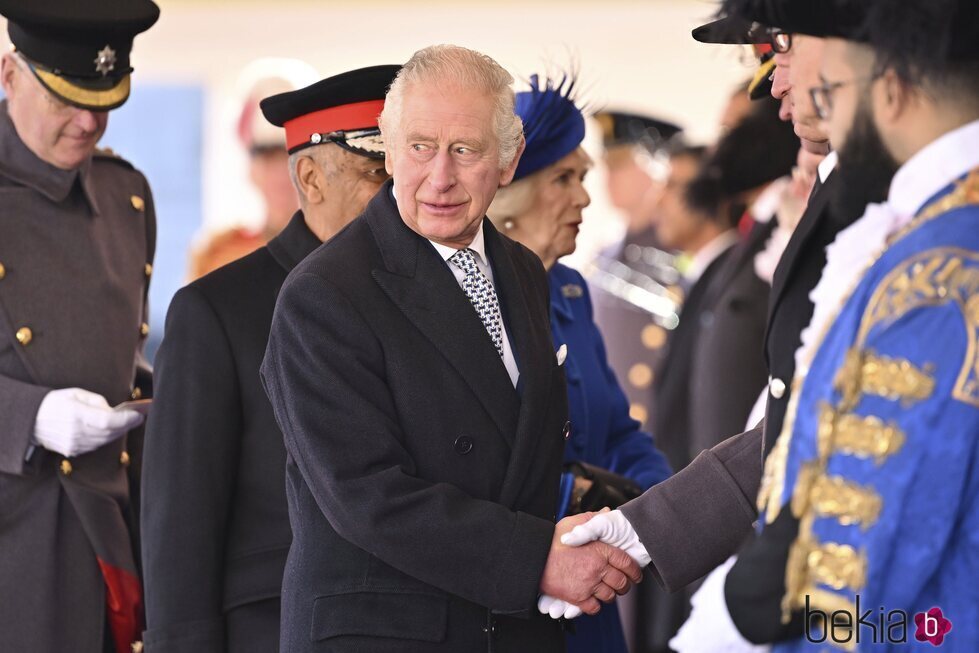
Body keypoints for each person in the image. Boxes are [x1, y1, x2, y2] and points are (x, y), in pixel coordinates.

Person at [259, 45, 642, 653]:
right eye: (419, 147)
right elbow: (365, 494)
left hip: (511, 627)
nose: (440, 177)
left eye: (465, 150)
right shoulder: (323, 292)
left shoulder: (521, 270)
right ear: (387, 145)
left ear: (509, 159)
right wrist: (535, 559)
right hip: (390, 636)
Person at [536, 0, 867, 641]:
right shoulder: (840, 198)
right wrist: (647, 525)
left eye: (787, 44)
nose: (777, 79)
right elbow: (797, 417)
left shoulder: (879, 204)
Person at [140, 65, 400, 653]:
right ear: (309, 176)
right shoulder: (218, 308)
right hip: (272, 626)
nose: (399, 199)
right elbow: (180, 520)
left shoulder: (425, 299)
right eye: (377, 175)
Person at [486, 74, 672, 653]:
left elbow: (616, 430)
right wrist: (575, 494)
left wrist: (669, 505)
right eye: (564, 178)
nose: (585, 197)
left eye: (584, 177)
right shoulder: (471, 297)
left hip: (593, 597)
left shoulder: (567, 290)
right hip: (517, 596)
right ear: (511, 196)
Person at [0, 1, 159, 652]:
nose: (90, 120)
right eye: (67, 98)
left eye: (104, 98)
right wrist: (29, 416)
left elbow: (128, 353)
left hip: (110, 527)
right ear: (9, 74)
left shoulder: (127, 194)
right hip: (18, 543)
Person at [588, 110, 684, 431]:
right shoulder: (604, 254)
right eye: (607, 166)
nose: (609, 178)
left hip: (657, 432)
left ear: (655, 168)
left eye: (621, 165)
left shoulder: (681, 252)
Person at [188, 59, 318, 280]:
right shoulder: (218, 255)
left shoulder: (341, 249)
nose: (281, 176)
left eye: (290, 159)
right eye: (269, 160)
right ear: (252, 171)